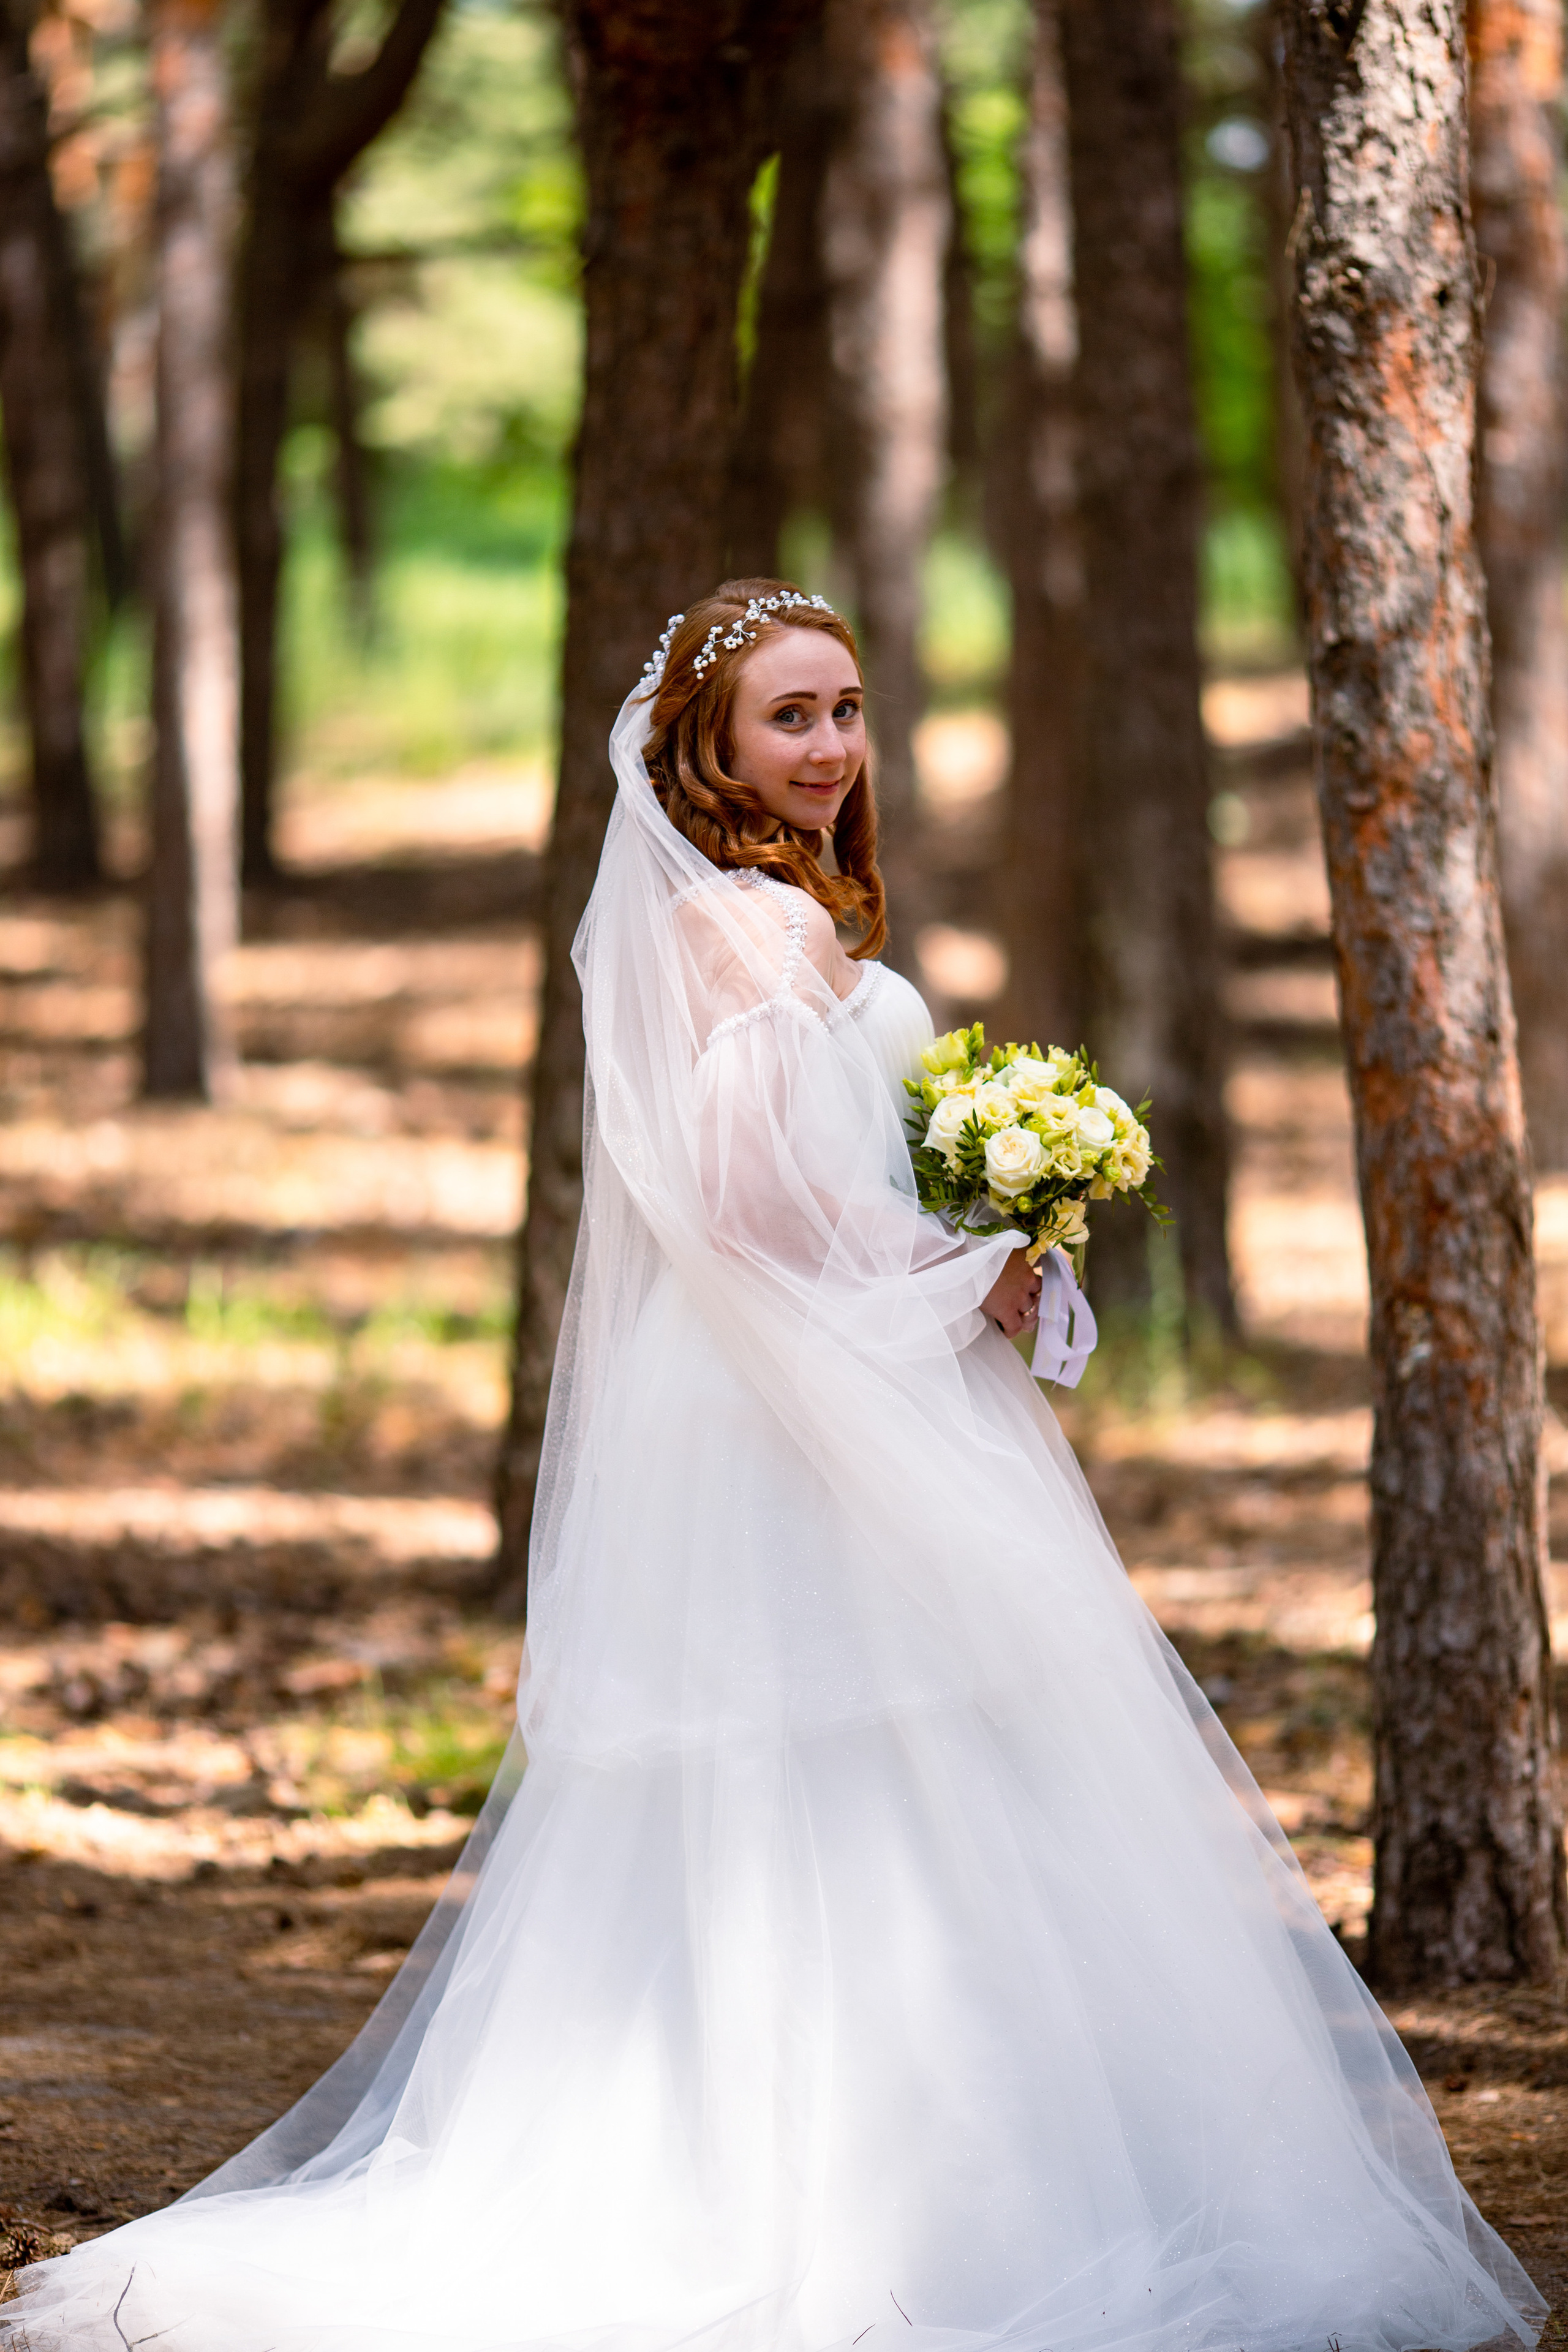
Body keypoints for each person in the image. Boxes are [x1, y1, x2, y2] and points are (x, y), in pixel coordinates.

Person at [2, 581, 1542, 2352]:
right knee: (848, 1749)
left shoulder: (751, 916)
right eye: (789, 718)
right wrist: (958, 1268)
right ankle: (843, 2205)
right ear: (712, 748)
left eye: (846, 710)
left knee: (869, 1766)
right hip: (784, 1404)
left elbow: (799, 1177)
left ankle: (873, 2165)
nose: (827, 747)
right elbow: (744, 1202)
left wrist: (976, 1224)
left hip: (803, 1378)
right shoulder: (757, 926)